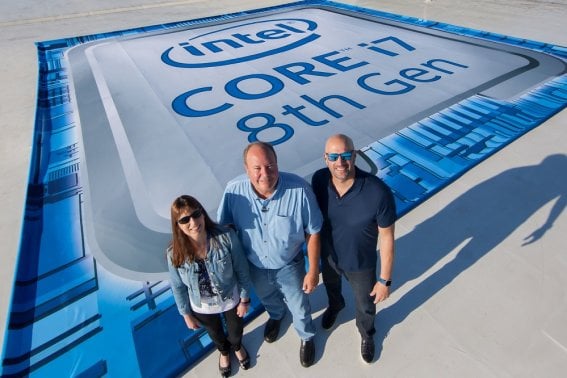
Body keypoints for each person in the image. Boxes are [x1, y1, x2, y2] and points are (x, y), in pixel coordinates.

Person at [217, 141, 323, 368]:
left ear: (277, 163)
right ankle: (276, 316)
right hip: (253, 265)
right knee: (266, 298)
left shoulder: (300, 190)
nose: (265, 174)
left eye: (270, 166)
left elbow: (313, 232)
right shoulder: (233, 191)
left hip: (289, 264)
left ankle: (306, 336)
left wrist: (313, 270)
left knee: (300, 306)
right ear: (246, 170)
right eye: (257, 168)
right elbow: (225, 228)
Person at [311, 134, 397, 364]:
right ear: (325, 158)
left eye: (346, 155)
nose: (340, 162)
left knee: (365, 304)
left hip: (361, 264)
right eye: (334, 156)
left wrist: (385, 280)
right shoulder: (319, 180)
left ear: (355, 155)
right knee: (331, 285)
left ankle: (367, 333)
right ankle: (336, 305)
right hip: (329, 256)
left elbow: (387, 237)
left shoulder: (378, 192)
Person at [167, 195, 253, 377]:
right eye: (184, 219)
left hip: (231, 299)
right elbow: (178, 287)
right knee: (215, 333)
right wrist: (186, 314)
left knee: (235, 331)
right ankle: (223, 352)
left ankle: (237, 347)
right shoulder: (174, 253)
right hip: (202, 306)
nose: (193, 222)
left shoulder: (226, 237)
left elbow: (242, 270)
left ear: (202, 213)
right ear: (178, 225)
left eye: (196, 214)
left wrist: (245, 299)